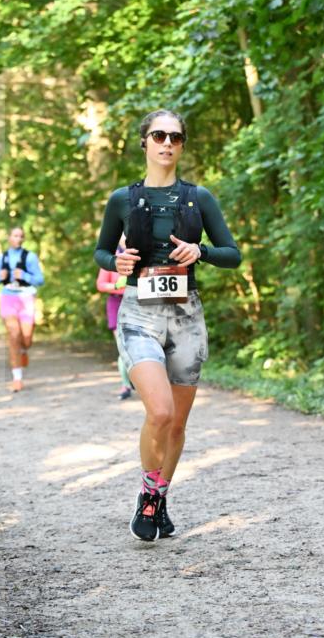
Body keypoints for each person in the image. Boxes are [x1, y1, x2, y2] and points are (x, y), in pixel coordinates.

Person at [93, 109, 241, 541]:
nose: (167, 143)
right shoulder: (122, 199)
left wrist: (202, 252)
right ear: (145, 142)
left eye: (175, 137)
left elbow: (232, 254)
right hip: (139, 312)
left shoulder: (199, 198)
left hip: (186, 315)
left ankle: (158, 498)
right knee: (159, 411)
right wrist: (116, 262)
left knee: (177, 423)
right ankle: (147, 493)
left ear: (182, 145)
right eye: (159, 135)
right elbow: (101, 252)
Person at [0, 225, 44, 392]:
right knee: (13, 335)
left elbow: (40, 280)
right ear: (9, 237)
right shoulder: (2, 258)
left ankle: (23, 349)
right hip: (8, 298)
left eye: (21, 236)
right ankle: (17, 379)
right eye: (15, 235)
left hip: (26, 298)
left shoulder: (30, 257)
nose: (18, 239)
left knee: (26, 339)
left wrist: (25, 276)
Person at [96, 234, 135, 400]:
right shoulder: (111, 258)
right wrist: (116, 285)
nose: (126, 238)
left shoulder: (142, 255)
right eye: (123, 235)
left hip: (138, 302)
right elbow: (100, 284)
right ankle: (126, 385)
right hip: (116, 303)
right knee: (123, 346)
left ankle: (137, 379)